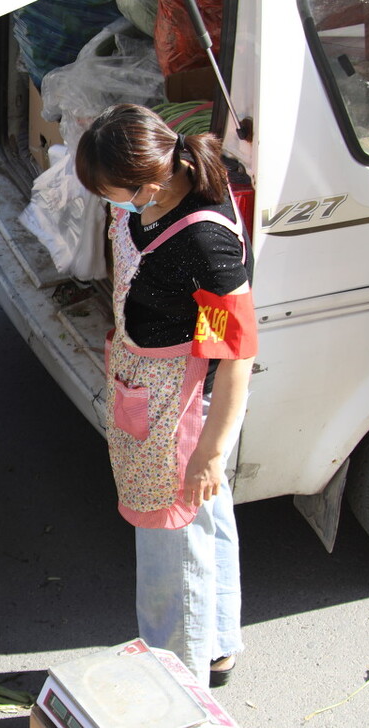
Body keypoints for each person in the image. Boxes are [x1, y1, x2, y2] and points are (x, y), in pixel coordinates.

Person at [73, 103, 257, 689]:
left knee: (172, 550)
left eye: (117, 195)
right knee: (204, 523)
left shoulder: (206, 243)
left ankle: (176, 681)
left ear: (153, 181)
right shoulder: (154, 190)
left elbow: (236, 358)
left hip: (178, 407)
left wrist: (210, 449)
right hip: (141, 383)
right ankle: (218, 644)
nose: (114, 207)